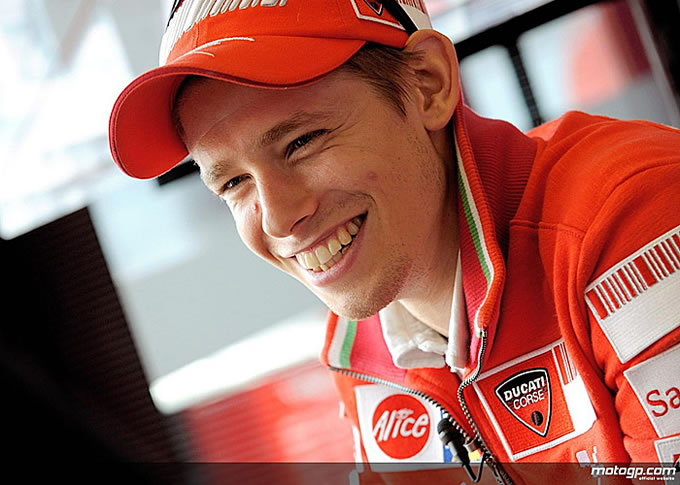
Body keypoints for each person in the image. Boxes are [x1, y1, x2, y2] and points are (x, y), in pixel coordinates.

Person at [109, 1, 680, 483]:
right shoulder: (361, 348)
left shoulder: (632, 219)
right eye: (233, 183)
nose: (279, 219)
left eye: (302, 141)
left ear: (428, 84)